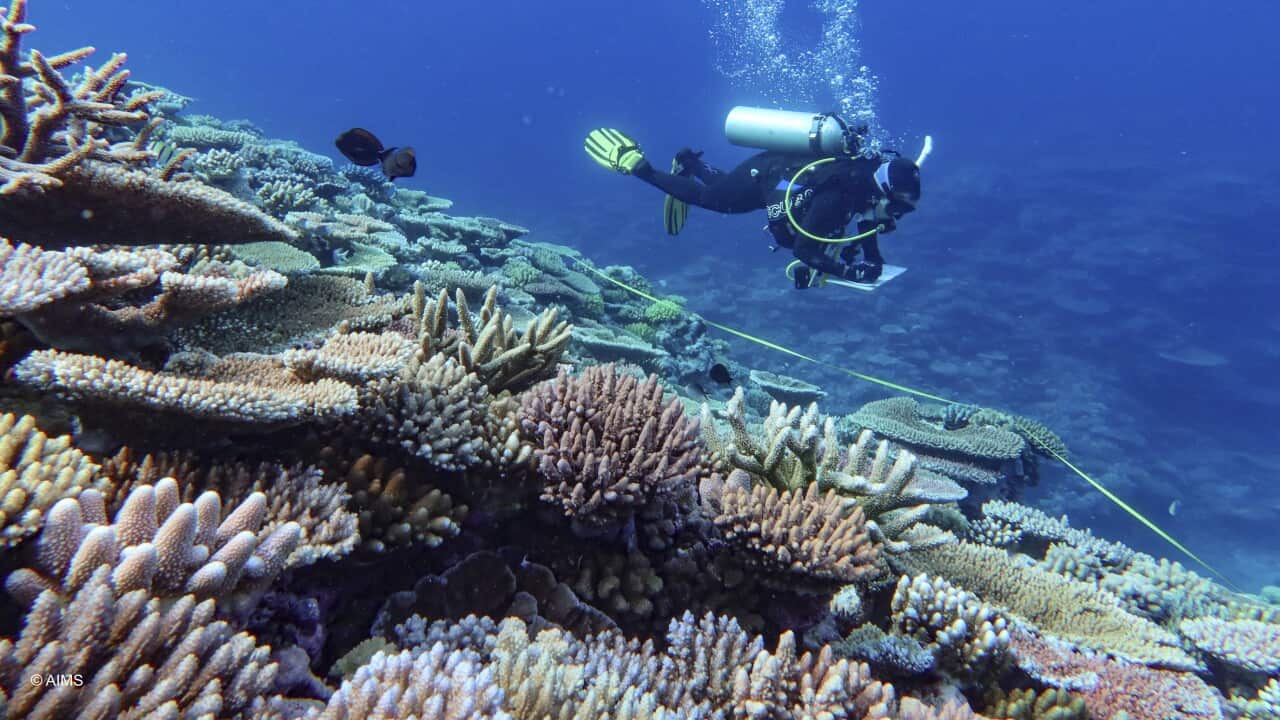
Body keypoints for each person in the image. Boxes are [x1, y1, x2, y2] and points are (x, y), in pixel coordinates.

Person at [584, 126, 922, 289]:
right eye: (898, 210)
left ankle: (691, 163)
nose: (896, 218)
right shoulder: (837, 197)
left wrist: (873, 259)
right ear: (884, 192)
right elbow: (803, 249)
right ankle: (641, 168)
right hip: (769, 172)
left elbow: (867, 222)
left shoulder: (864, 185)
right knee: (715, 200)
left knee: (730, 193)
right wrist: (848, 272)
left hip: (779, 177)